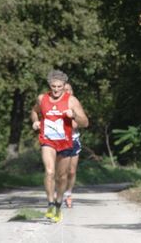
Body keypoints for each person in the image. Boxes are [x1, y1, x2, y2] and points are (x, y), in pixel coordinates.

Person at [31, 70, 89, 222]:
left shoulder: (72, 101)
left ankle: (58, 204)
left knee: (62, 176)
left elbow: (85, 122)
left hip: (65, 142)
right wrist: (35, 122)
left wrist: (74, 115)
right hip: (47, 140)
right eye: (53, 86)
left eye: (59, 86)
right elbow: (34, 111)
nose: (56, 90)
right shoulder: (42, 98)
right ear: (49, 85)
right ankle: (50, 203)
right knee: (50, 171)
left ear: (64, 86)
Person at [63, 83, 81, 208]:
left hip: (73, 139)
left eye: (69, 90)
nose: (66, 92)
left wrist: (73, 115)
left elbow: (78, 124)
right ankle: (57, 193)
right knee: (59, 171)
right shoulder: (54, 104)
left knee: (72, 171)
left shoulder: (75, 105)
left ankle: (68, 194)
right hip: (58, 140)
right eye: (64, 90)